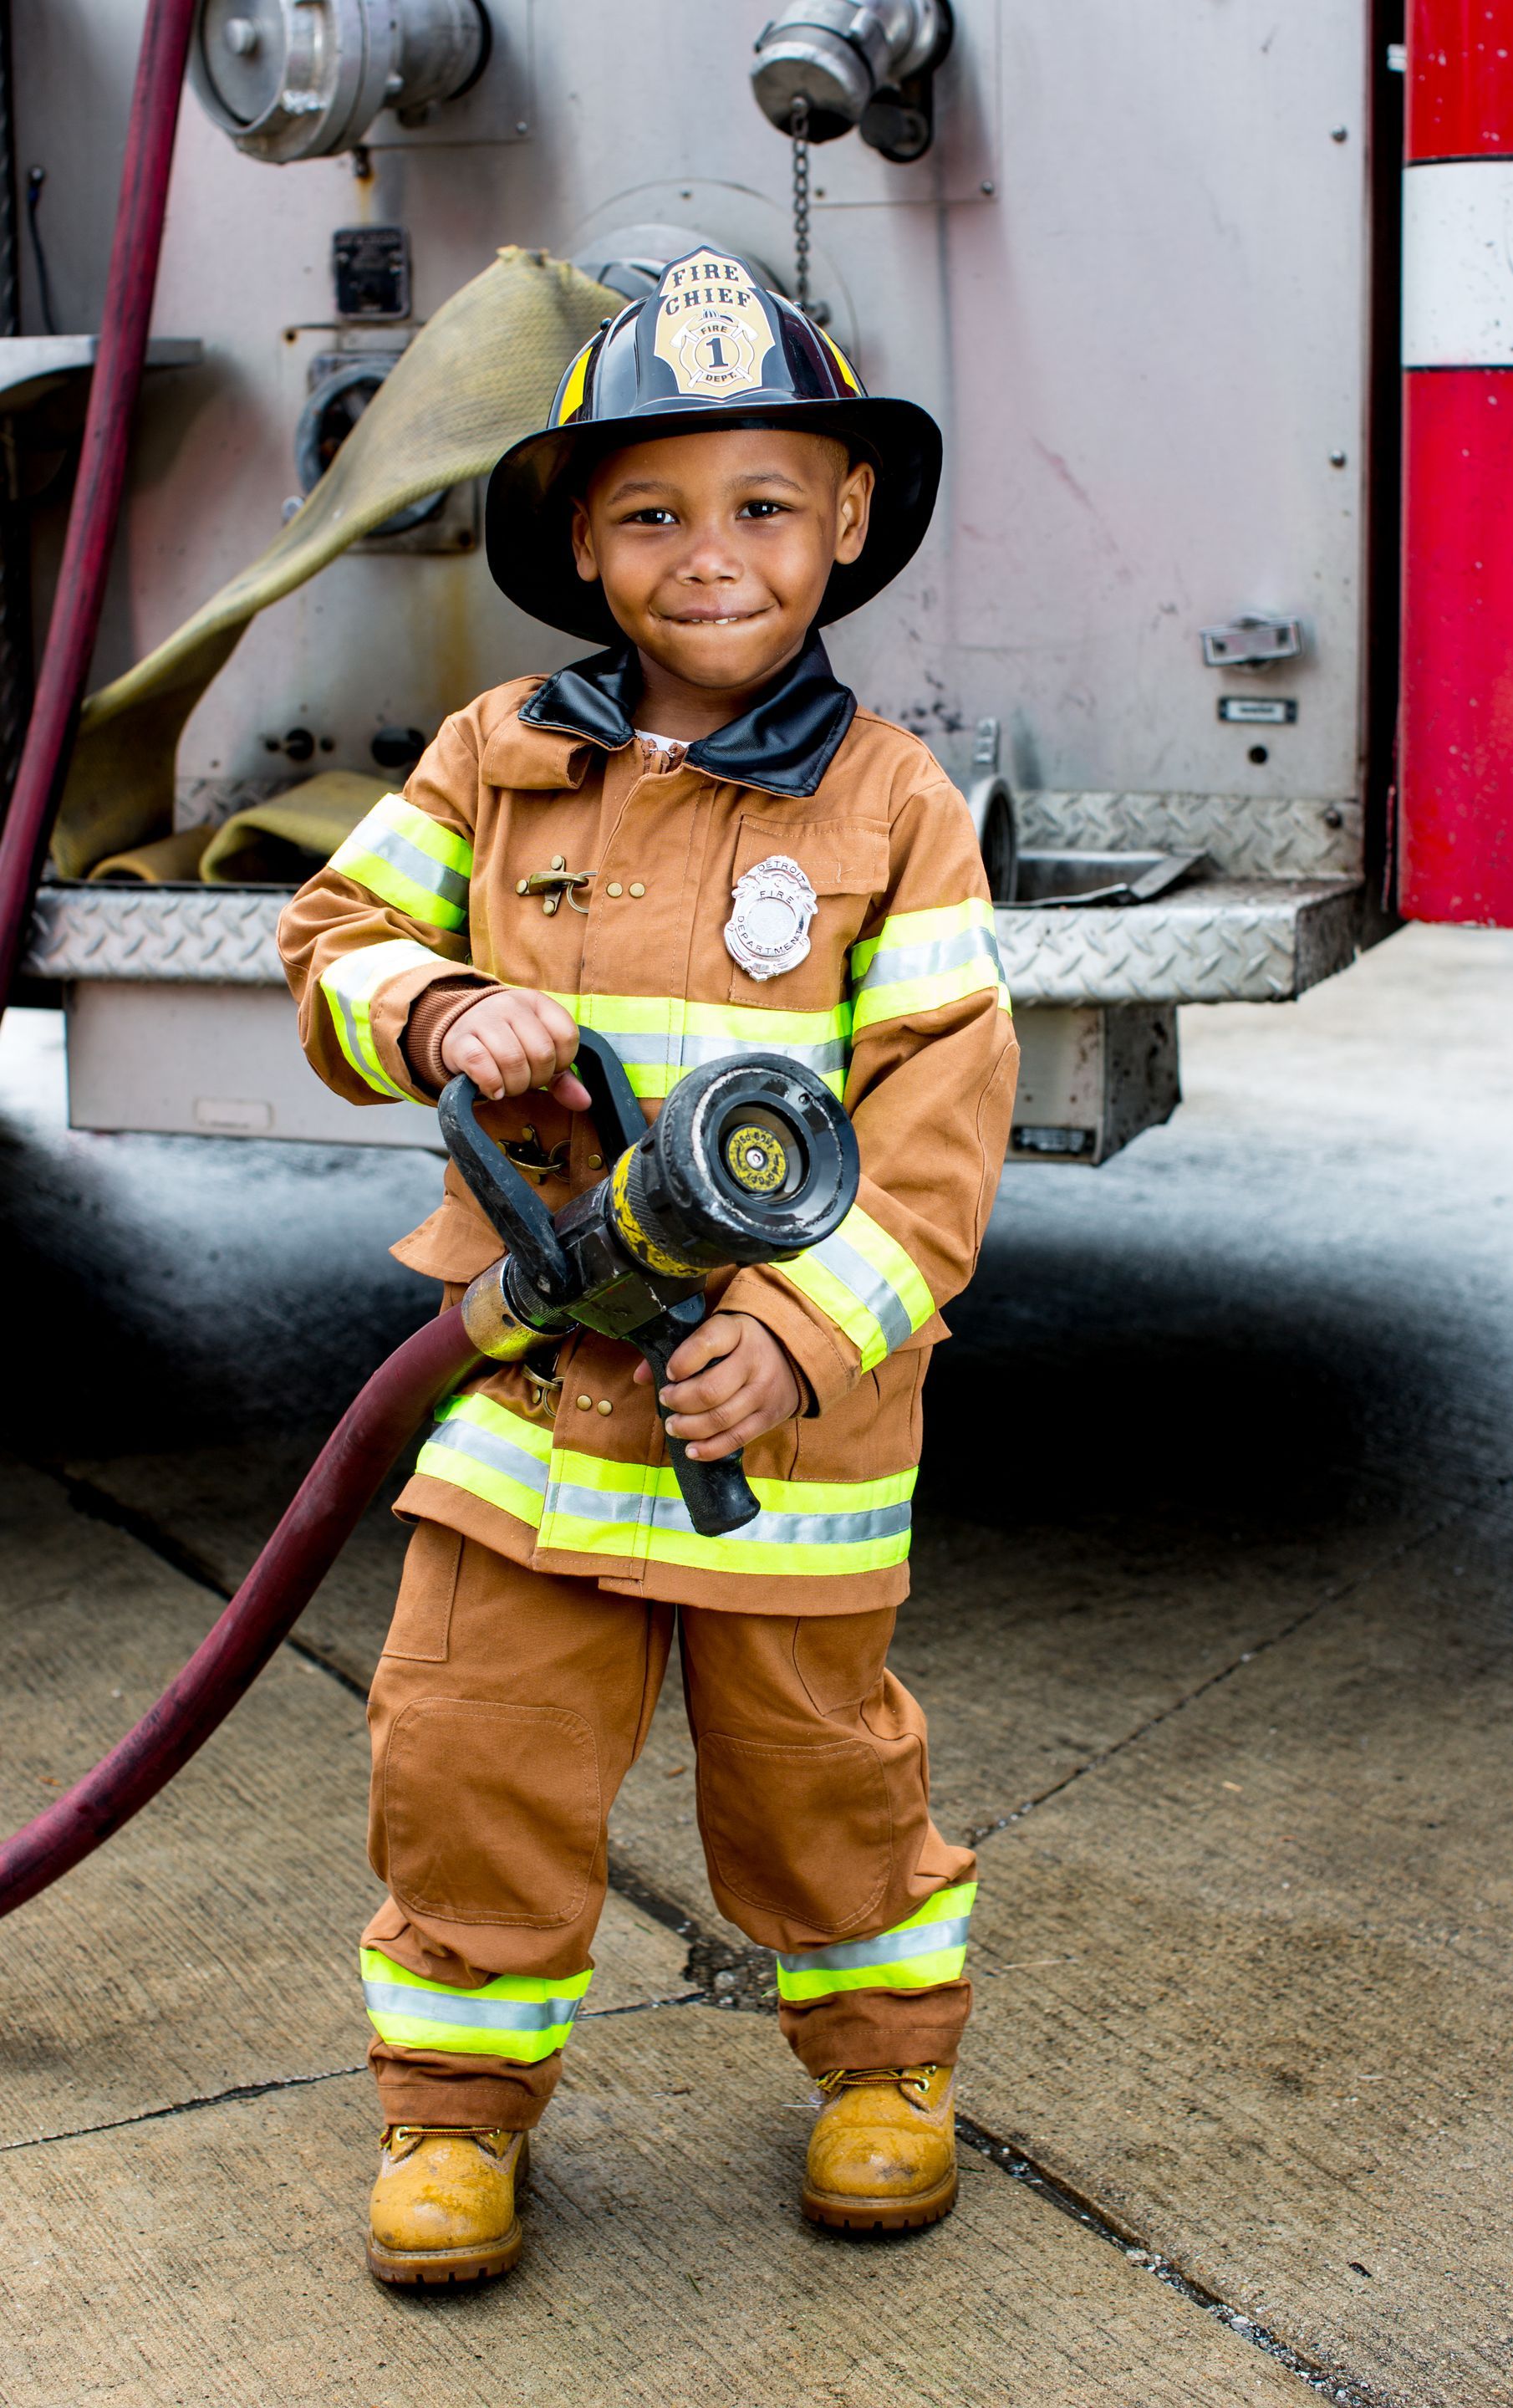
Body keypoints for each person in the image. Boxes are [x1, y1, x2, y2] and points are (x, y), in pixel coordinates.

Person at [278, 249, 1017, 2284]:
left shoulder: (895, 809)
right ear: (583, 544)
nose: (713, 557)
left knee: (818, 1777)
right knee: (464, 1759)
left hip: (781, 1440)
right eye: (654, 513)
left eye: (765, 505)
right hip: (523, 1409)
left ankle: (883, 2069)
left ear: (847, 524)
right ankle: (453, 2121)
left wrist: (793, 1336)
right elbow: (329, 944)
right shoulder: (493, 757)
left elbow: (944, 1134)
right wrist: (437, 1013)